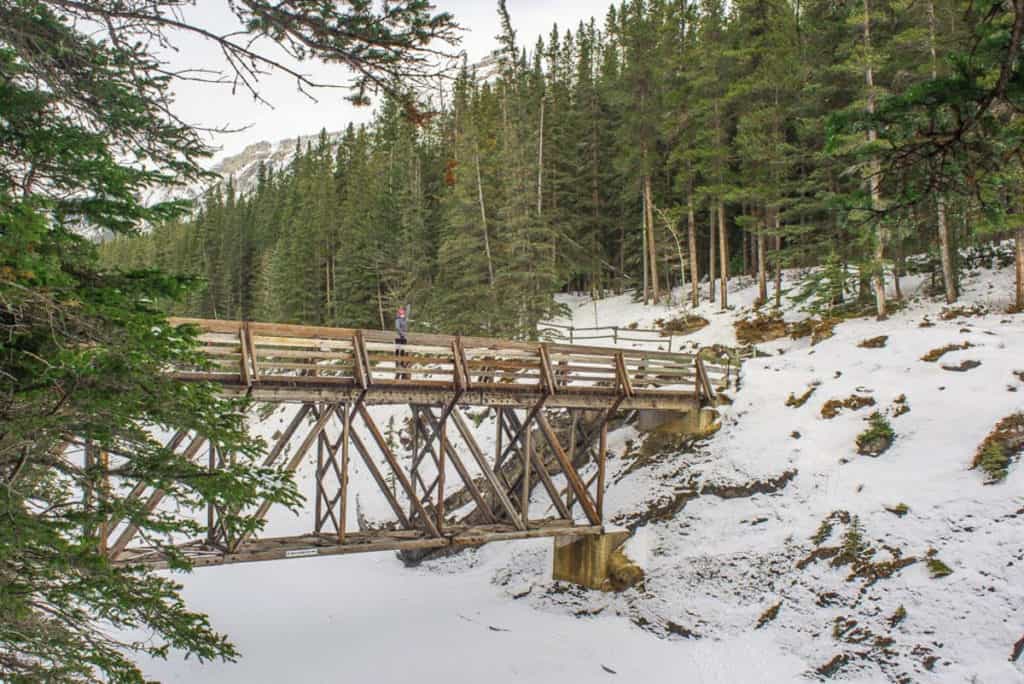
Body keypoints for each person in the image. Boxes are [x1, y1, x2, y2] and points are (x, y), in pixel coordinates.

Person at [395, 305, 409, 380]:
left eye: (403, 311)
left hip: (404, 338)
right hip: (399, 337)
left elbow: (405, 328)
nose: (402, 312)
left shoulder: (404, 319)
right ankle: (398, 365)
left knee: (404, 351)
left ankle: (403, 366)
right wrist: (402, 334)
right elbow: (397, 328)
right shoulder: (398, 319)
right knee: (398, 351)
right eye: (400, 311)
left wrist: (404, 334)